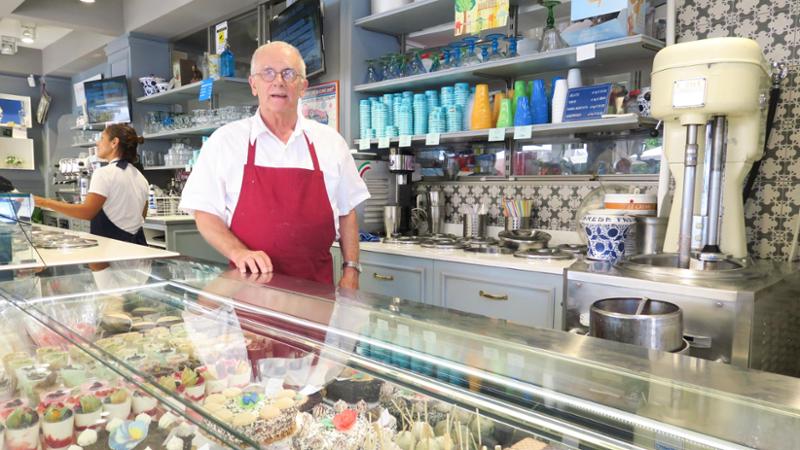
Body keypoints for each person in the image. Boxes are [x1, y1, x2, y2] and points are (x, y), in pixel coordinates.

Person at [180, 41, 370, 289]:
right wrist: (238, 253)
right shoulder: (225, 141)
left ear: (303, 87)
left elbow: (347, 212)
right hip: (248, 291)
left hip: (316, 291)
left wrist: (351, 270)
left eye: (289, 73)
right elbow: (205, 213)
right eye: (268, 73)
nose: (278, 81)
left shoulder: (331, 143)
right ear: (253, 84)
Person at [34, 124, 149, 245]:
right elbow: (141, 216)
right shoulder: (140, 177)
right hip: (138, 248)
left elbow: (87, 212)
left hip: (112, 250)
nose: (97, 143)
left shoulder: (104, 173)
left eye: (102, 138)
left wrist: (43, 202)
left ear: (114, 142)